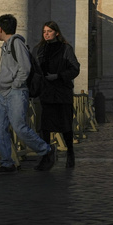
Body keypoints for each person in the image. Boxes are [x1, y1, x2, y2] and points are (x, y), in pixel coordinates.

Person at [0, 14, 56, 173]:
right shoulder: (6, 45)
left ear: (0, 29)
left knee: (19, 127)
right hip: (3, 93)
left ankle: (46, 150)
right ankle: (7, 162)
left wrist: (15, 85)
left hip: (15, 92)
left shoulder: (16, 43)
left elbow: (25, 68)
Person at [34, 21, 81, 168]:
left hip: (62, 92)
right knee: (45, 127)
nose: (46, 34)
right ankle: (46, 155)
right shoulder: (39, 49)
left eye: (49, 31)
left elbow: (75, 69)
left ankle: (70, 153)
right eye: (44, 31)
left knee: (66, 125)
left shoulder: (66, 49)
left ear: (57, 33)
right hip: (46, 92)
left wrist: (59, 76)